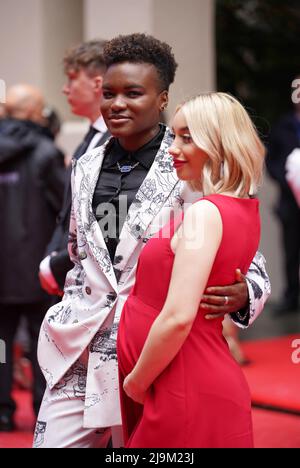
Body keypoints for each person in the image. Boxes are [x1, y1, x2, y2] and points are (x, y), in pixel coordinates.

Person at [35, 34, 270, 449]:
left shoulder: (189, 161)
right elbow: (78, 251)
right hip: (78, 344)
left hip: (151, 350)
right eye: (108, 94)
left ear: (161, 99)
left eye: (133, 93)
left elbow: (248, 259)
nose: (117, 104)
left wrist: (244, 292)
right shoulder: (85, 164)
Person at [118, 92, 265, 448]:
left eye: (187, 137)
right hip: (183, 378)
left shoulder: (205, 213)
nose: (173, 148)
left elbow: (179, 317)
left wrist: (137, 381)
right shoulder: (239, 208)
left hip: (181, 385)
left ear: (218, 144)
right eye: (174, 137)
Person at [0, 84, 65, 432]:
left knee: (0, 344)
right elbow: (67, 208)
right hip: (37, 269)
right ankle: (44, 410)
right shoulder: (44, 152)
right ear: (31, 112)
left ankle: (2, 411)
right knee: (43, 342)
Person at [39, 40, 110, 297]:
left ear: (97, 83)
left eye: (72, 79)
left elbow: (103, 218)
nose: (65, 89)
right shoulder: (91, 137)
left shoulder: (114, 140)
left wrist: (57, 265)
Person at [266, 101, 300, 314]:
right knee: (291, 250)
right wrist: (286, 179)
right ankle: (291, 297)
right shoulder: (283, 125)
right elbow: (272, 160)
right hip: (289, 201)